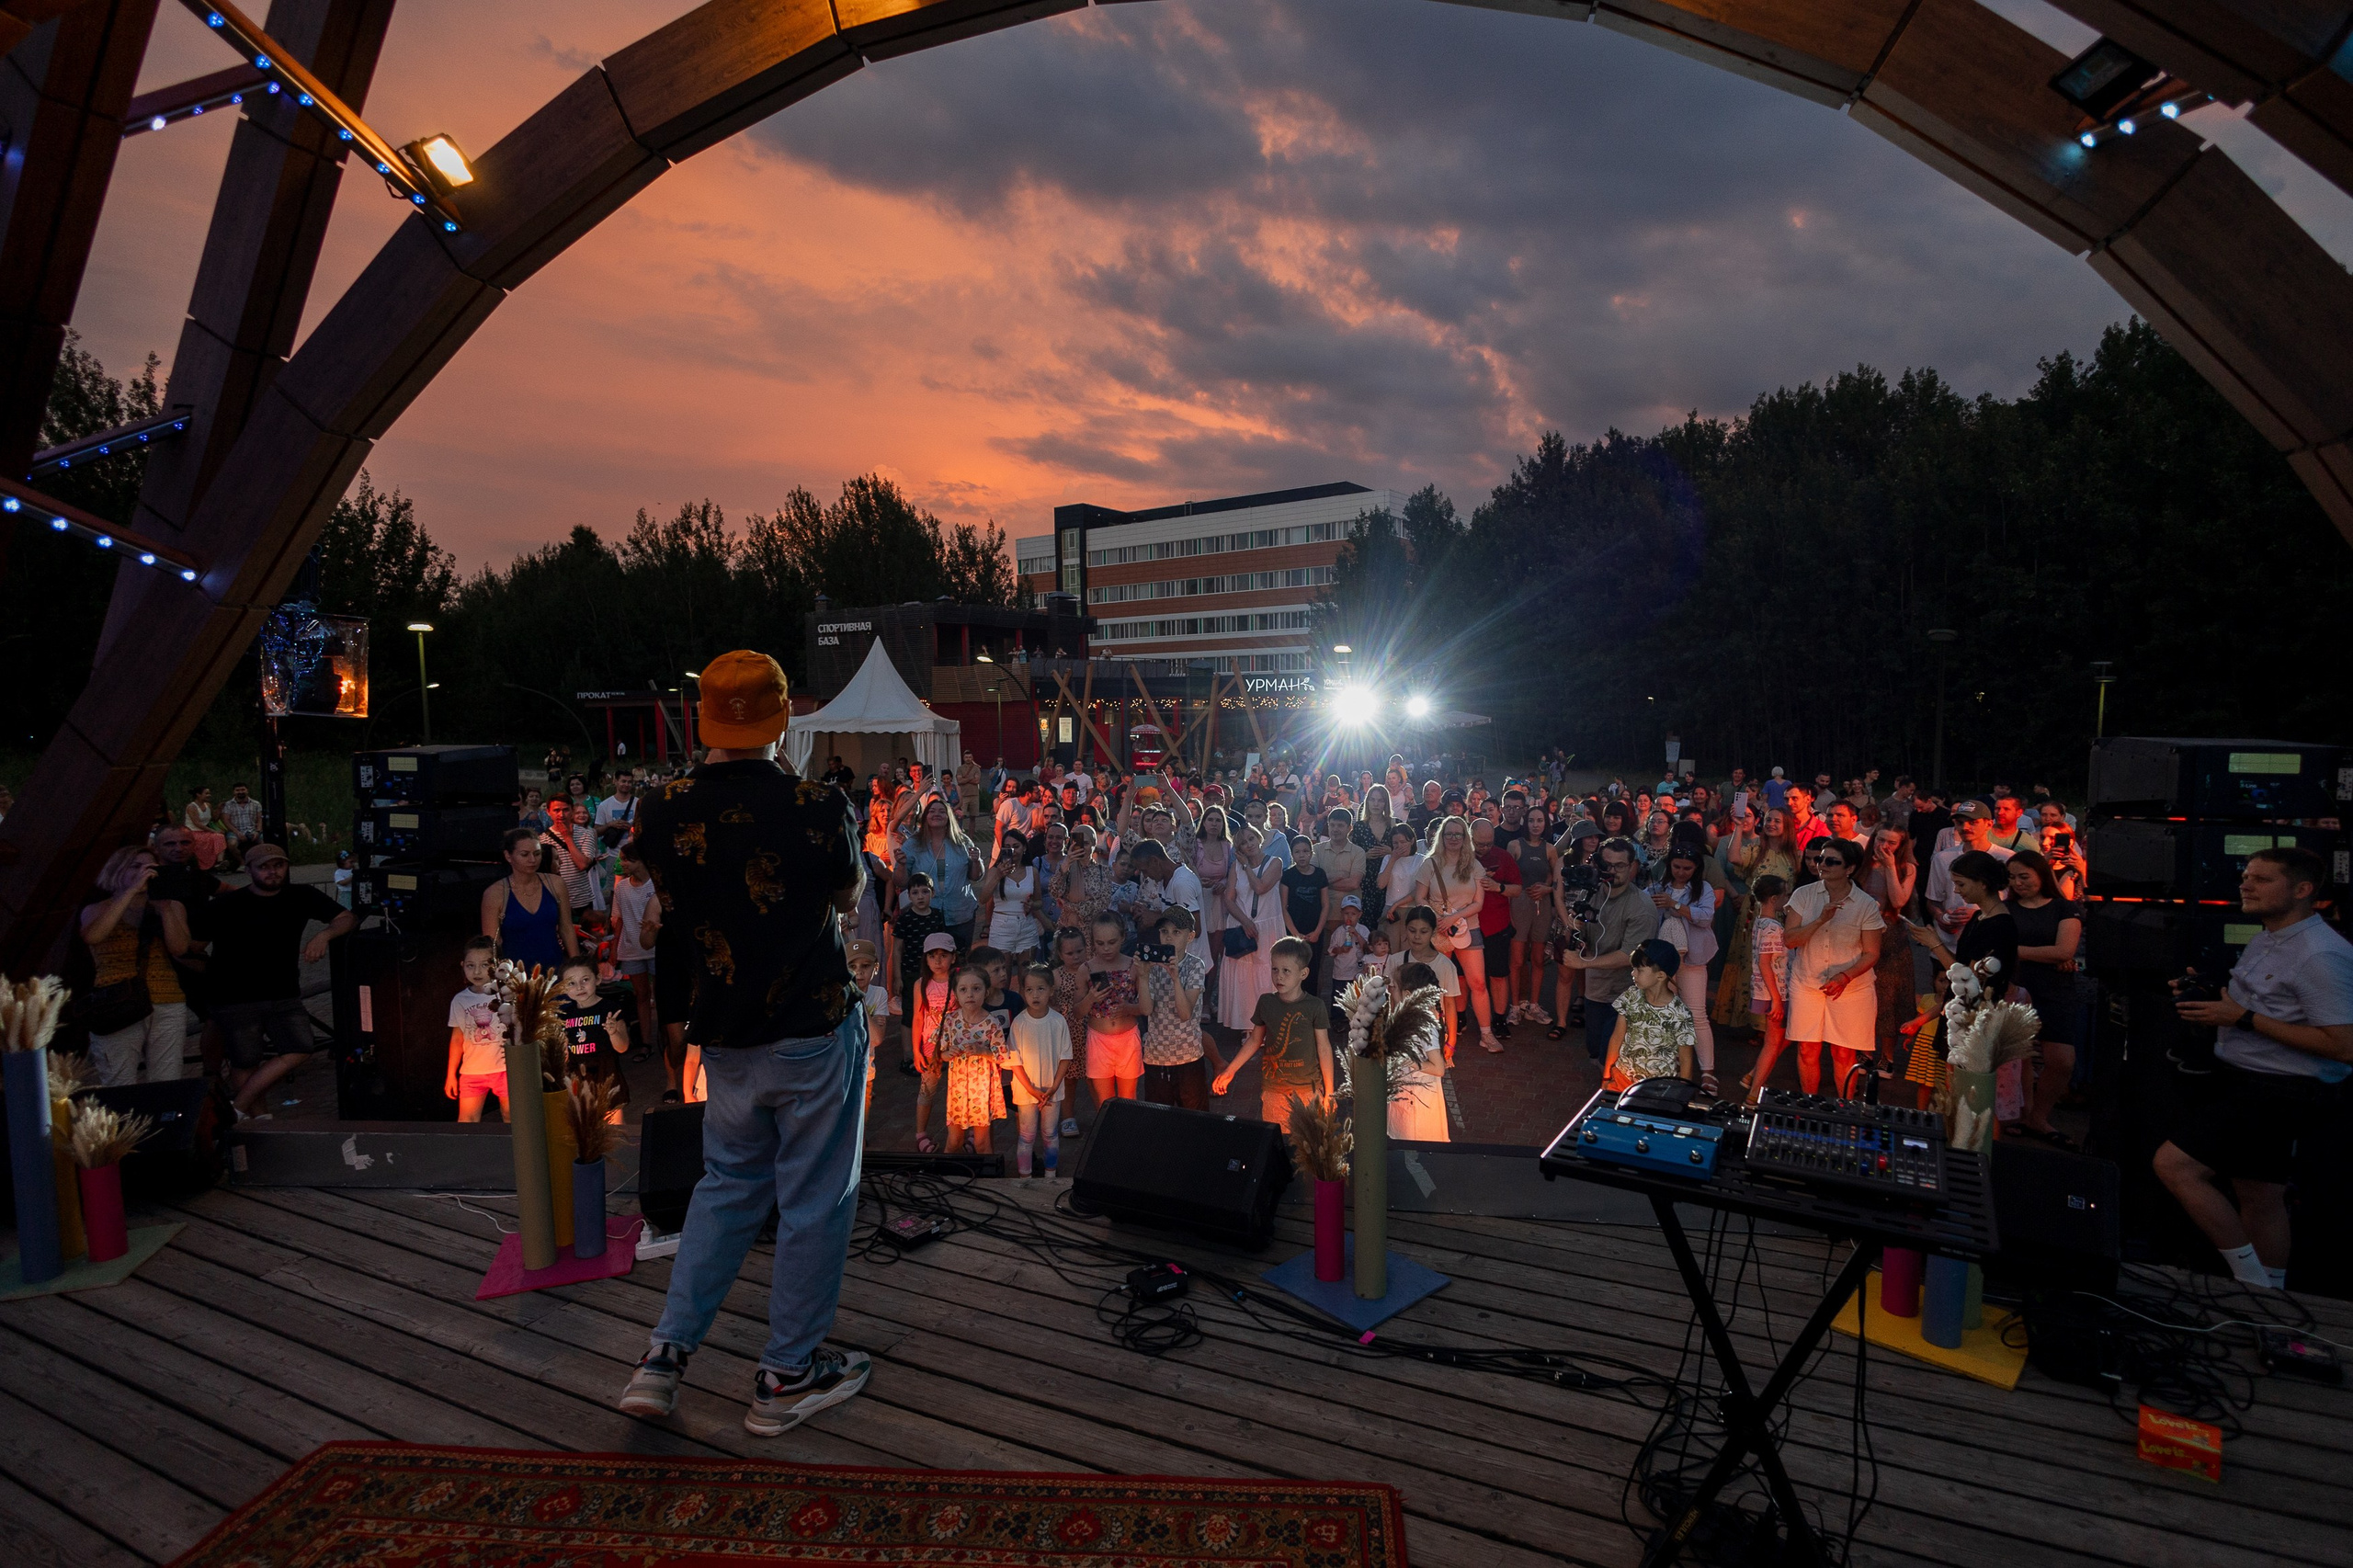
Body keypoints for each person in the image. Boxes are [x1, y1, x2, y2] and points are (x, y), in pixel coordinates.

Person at [619, 649, 872, 1439]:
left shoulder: (657, 809)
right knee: (812, 1202)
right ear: (783, 719)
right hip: (812, 1031)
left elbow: (674, 897)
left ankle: (663, 1359)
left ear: (705, 722)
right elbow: (849, 893)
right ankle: (786, 1375)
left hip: (722, 1033)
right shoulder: (817, 803)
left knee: (726, 1187)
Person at [2157, 846, 2353, 1291]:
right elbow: (2269, 1004)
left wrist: (2242, 1018)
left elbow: (2344, 1046)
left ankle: (2250, 1284)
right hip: (2245, 1082)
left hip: (2279, 1092)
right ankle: (2272, 1292)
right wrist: (2207, 993)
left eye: (2262, 880)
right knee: (2260, 1195)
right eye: (2247, 876)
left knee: (2176, 1167)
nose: (2246, 884)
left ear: (2302, 890)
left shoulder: (2321, 955)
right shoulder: (2269, 937)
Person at [199, 843, 355, 1118]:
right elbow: (194, 945)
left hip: (284, 991)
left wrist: (324, 935)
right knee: (245, 1060)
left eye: (278, 865)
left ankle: (237, 1107)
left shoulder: (300, 895)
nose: (272, 872)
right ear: (248, 870)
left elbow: (346, 918)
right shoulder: (226, 904)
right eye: (264, 867)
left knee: (300, 1047)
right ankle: (260, 1119)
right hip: (235, 995)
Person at [78, 846, 195, 1086]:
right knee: (119, 1082)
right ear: (117, 871)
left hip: (166, 999)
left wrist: (164, 907)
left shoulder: (171, 906)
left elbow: (179, 948)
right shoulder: (97, 909)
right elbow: (94, 936)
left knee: (166, 1082)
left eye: (150, 867)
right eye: (135, 866)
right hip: (116, 1002)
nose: (144, 872)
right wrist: (130, 892)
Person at [1781, 837, 1885, 1098]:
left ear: (1849, 869)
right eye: (1820, 859)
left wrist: (1844, 976)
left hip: (1851, 989)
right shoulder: (1803, 895)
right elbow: (1790, 940)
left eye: (1831, 861)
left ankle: (1845, 1112)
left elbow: (1872, 953)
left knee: (1843, 1053)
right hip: (1807, 982)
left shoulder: (1866, 905)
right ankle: (1810, 1106)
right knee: (1807, 1050)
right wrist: (1820, 919)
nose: (1822, 865)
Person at [1214, 936, 1334, 1134]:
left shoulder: (1315, 1006)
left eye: (1286, 971)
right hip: (1274, 1090)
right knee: (1278, 1143)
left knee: (1308, 1146)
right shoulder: (1266, 1003)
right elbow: (1254, 1040)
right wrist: (1230, 1070)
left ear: (1303, 973)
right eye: (1275, 969)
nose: (1279, 976)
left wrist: (1329, 1093)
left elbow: (1324, 1048)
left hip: (1307, 1090)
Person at [2006, 849, 2084, 1142]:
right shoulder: (2007, 909)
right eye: (2012, 877)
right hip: (2016, 987)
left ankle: (2040, 1115)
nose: (2017, 883)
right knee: (2020, 1058)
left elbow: (2064, 950)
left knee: (2062, 1059)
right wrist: (2046, 955)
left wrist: (2016, 951)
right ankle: (2023, 1114)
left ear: (2042, 874)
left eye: (2024, 876)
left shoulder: (2064, 908)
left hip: (2054, 990)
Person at [1560, 838, 1661, 1063]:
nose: (1612, 871)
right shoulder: (1593, 894)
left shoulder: (1641, 907)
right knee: (1595, 1049)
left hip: (1627, 994)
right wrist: (1574, 928)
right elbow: (1579, 939)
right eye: (1607, 865)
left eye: (1620, 866)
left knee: (1613, 1056)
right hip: (1596, 990)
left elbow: (1629, 956)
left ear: (1632, 866)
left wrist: (1583, 963)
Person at [1415, 816, 1505, 1053]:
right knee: (1435, 984)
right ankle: (1434, 1032)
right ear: (1441, 837)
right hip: (1438, 930)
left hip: (1468, 927)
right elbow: (1419, 898)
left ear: (1465, 838)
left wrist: (1453, 918)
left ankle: (1486, 1033)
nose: (1453, 838)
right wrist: (1437, 920)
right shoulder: (1429, 863)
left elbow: (1478, 903)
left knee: (1477, 982)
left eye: (1458, 834)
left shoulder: (1474, 865)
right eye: (1449, 834)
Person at [1650, 846, 1719, 1092]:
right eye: (1676, 867)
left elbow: (1705, 917)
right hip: (1663, 958)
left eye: (1687, 868)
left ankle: (1708, 1072)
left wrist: (1675, 906)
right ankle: (1667, 1065)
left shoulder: (1704, 889)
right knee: (1666, 1011)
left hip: (1693, 958)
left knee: (1697, 1014)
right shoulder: (1659, 885)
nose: (1681, 872)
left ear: (1696, 868)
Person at [1601, 939, 1697, 1091]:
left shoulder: (1681, 1013)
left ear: (1660, 975)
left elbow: (1686, 1059)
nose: (1633, 974)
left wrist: (1681, 1094)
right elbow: (1616, 1038)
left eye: (1639, 970)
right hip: (1621, 1080)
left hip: (1659, 1089)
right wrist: (1606, 1077)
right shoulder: (1630, 997)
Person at [1139, 908, 1211, 1109]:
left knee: (1194, 1120)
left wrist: (1175, 978)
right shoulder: (1151, 967)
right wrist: (1143, 977)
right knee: (1160, 1121)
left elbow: (1185, 1013)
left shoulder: (1195, 965)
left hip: (1188, 1057)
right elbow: (1145, 1010)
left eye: (1176, 932)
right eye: (1164, 931)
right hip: (1156, 1057)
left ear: (1190, 936)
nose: (1169, 936)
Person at [1216, 824, 1285, 1032]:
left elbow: (1261, 887)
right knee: (1244, 978)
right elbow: (1228, 899)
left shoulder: (1275, 862)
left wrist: (1246, 866)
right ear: (1239, 849)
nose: (1249, 845)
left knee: (1267, 973)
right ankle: (1248, 1026)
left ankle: (1268, 1025)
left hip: (1268, 926)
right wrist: (1245, 922)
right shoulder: (1235, 867)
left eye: (1251, 839)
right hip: (1241, 925)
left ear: (1258, 838)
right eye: (1243, 843)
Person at [1007, 963, 1074, 1176]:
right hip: (1026, 1091)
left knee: (1050, 1133)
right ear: (1023, 992)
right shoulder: (1019, 1023)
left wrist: (1053, 1087)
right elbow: (1014, 1060)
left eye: (1041, 989)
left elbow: (1065, 1057)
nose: (1035, 994)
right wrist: (1031, 1089)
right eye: (1029, 990)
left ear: (1051, 990)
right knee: (1026, 1136)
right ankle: (1024, 1177)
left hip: (1052, 1090)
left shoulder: (1058, 1021)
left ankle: (1050, 1175)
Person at [1859, 824, 1919, 1061]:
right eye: (1880, 839)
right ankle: (1864, 1050)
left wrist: (1890, 867)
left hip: (1891, 933)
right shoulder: (1862, 864)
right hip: (1862, 931)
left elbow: (1898, 900)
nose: (1883, 846)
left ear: (1900, 846)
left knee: (1889, 997)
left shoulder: (1907, 868)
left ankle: (1887, 1057)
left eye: (1891, 842)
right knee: (1864, 995)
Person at [1080, 914, 1149, 1113]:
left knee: (1129, 1098)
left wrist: (1129, 1008)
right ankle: (1110, 1139)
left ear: (1123, 938)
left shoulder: (1133, 966)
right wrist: (1090, 999)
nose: (1106, 948)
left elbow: (1146, 1008)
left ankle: (1127, 1138)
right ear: (1092, 942)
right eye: (1100, 943)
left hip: (1128, 1038)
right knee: (1105, 1102)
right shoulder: (1086, 969)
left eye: (1112, 942)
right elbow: (1077, 1012)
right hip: (1098, 1040)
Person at [483, 826, 577, 972]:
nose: (532, 860)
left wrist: (577, 966)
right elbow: (492, 944)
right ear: (508, 856)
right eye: (524, 854)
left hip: (555, 970)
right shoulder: (495, 894)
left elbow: (567, 928)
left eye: (537, 853)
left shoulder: (555, 884)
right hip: (515, 977)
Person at [611, 842, 665, 1088]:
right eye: (622, 859)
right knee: (641, 996)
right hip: (631, 948)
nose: (623, 864)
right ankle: (646, 1041)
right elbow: (618, 920)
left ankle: (666, 1039)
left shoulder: (657, 884)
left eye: (628, 860)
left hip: (656, 948)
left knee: (661, 995)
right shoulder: (621, 888)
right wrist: (614, 953)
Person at [895, 796, 980, 948]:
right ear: (925, 816)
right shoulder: (912, 844)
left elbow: (975, 877)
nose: (937, 814)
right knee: (929, 960)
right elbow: (900, 882)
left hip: (960, 912)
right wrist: (901, 865)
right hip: (925, 915)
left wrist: (976, 861)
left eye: (942, 811)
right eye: (932, 811)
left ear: (949, 817)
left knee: (959, 960)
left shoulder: (963, 842)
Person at [444, 937, 509, 1122]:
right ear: (463, 966)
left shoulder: (506, 994)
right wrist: (451, 1075)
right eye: (471, 966)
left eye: (484, 965)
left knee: (511, 1116)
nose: (477, 971)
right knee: (467, 1120)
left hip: (504, 1068)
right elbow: (457, 1039)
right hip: (473, 1070)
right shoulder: (460, 1000)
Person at [1925, 801, 2014, 937]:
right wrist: (1940, 917)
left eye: (1973, 822)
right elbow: (1933, 900)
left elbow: (2014, 901)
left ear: (1989, 824)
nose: (1965, 827)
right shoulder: (1942, 858)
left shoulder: (2006, 858)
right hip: (1950, 941)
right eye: (1959, 822)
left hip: (1989, 938)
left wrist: (1979, 914)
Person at [1739, 876, 1791, 1102]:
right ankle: (1753, 1095)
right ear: (1774, 898)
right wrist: (1777, 1000)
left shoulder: (1761, 922)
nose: (1788, 899)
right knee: (1773, 1042)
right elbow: (1765, 963)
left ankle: (1752, 1078)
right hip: (1775, 992)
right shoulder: (1772, 926)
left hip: (1769, 991)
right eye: (1786, 895)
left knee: (1787, 1035)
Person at [1388, 960, 1451, 1142]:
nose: (1391, 989)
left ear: (1407, 994)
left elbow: (1438, 1068)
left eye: (1395, 986)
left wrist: (1410, 1062)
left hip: (1418, 1099)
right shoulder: (1409, 1014)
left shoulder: (1423, 1023)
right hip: (1406, 1092)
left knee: (1414, 1151)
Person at [557, 958, 631, 1113]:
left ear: (597, 979)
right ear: (563, 988)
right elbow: (563, 1053)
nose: (579, 987)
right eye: (571, 983)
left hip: (606, 1074)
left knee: (613, 1125)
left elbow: (622, 1047)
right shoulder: (564, 1015)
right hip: (577, 1076)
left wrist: (613, 1032)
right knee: (582, 1125)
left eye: (585, 980)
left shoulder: (610, 1009)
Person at [908, 933, 959, 1153]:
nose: (937, 961)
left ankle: (960, 1134)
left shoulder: (960, 980)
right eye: (932, 955)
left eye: (943, 955)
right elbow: (918, 1017)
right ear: (925, 959)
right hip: (931, 1045)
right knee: (927, 1090)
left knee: (958, 1090)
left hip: (957, 1044)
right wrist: (916, 1051)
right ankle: (921, 1133)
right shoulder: (921, 984)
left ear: (953, 957)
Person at [976, 828, 1042, 962]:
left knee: (1027, 975)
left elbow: (1039, 901)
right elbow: (983, 899)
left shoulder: (1032, 871)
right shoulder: (995, 871)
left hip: (1026, 926)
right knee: (1001, 977)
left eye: (1016, 846)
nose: (1012, 851)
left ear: (1024, 848)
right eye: (1007, 847)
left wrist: (1032, 905)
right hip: (1002, 927)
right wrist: (998, 876)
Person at [540, 796, 601, 927]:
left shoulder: (586, 834)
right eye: (556, 810)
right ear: (548, 812)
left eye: (565, 810)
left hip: (581, 901)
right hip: (555, 900)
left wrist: (568, 838)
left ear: (572, 811)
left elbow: (583, 864)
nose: (561, 815)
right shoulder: (542, 839)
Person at [220, 783, 264, 867]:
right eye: (238, 790)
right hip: (235, 831)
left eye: (243, 790)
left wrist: (257, 831)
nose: (240, 792)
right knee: (232, 844)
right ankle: (242, 862)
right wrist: (237, 833)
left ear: (247, 791)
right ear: (234, 792)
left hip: (253, 829)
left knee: (265, 842)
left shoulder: (256, 804)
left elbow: (260, 819)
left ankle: (259, 862)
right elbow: (226, 821)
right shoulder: (228, 805)